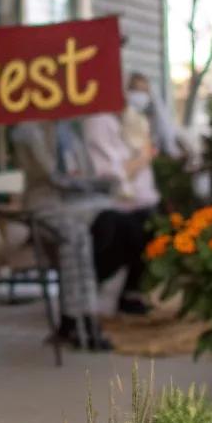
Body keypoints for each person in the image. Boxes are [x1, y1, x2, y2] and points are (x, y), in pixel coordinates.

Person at [10, 119, 119, 352]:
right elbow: (48, 173)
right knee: (74, 236)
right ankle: (78, 322)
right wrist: (86, 185)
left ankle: (84, 318)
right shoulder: (27, 129)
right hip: (44, 205)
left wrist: (97, 184)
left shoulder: (69, 129)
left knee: (86, 235)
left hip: (72, 204)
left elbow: (82, 170)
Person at [80, 74, 163, 316]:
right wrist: (142, 159)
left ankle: (131, 293)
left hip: (134, 201)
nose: (140, 97)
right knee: (131, 233)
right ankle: (105, 292)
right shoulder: (98, 121)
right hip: (106, 205)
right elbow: (110, 173)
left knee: (151, 229)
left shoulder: (131, 120)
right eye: (135, 90)